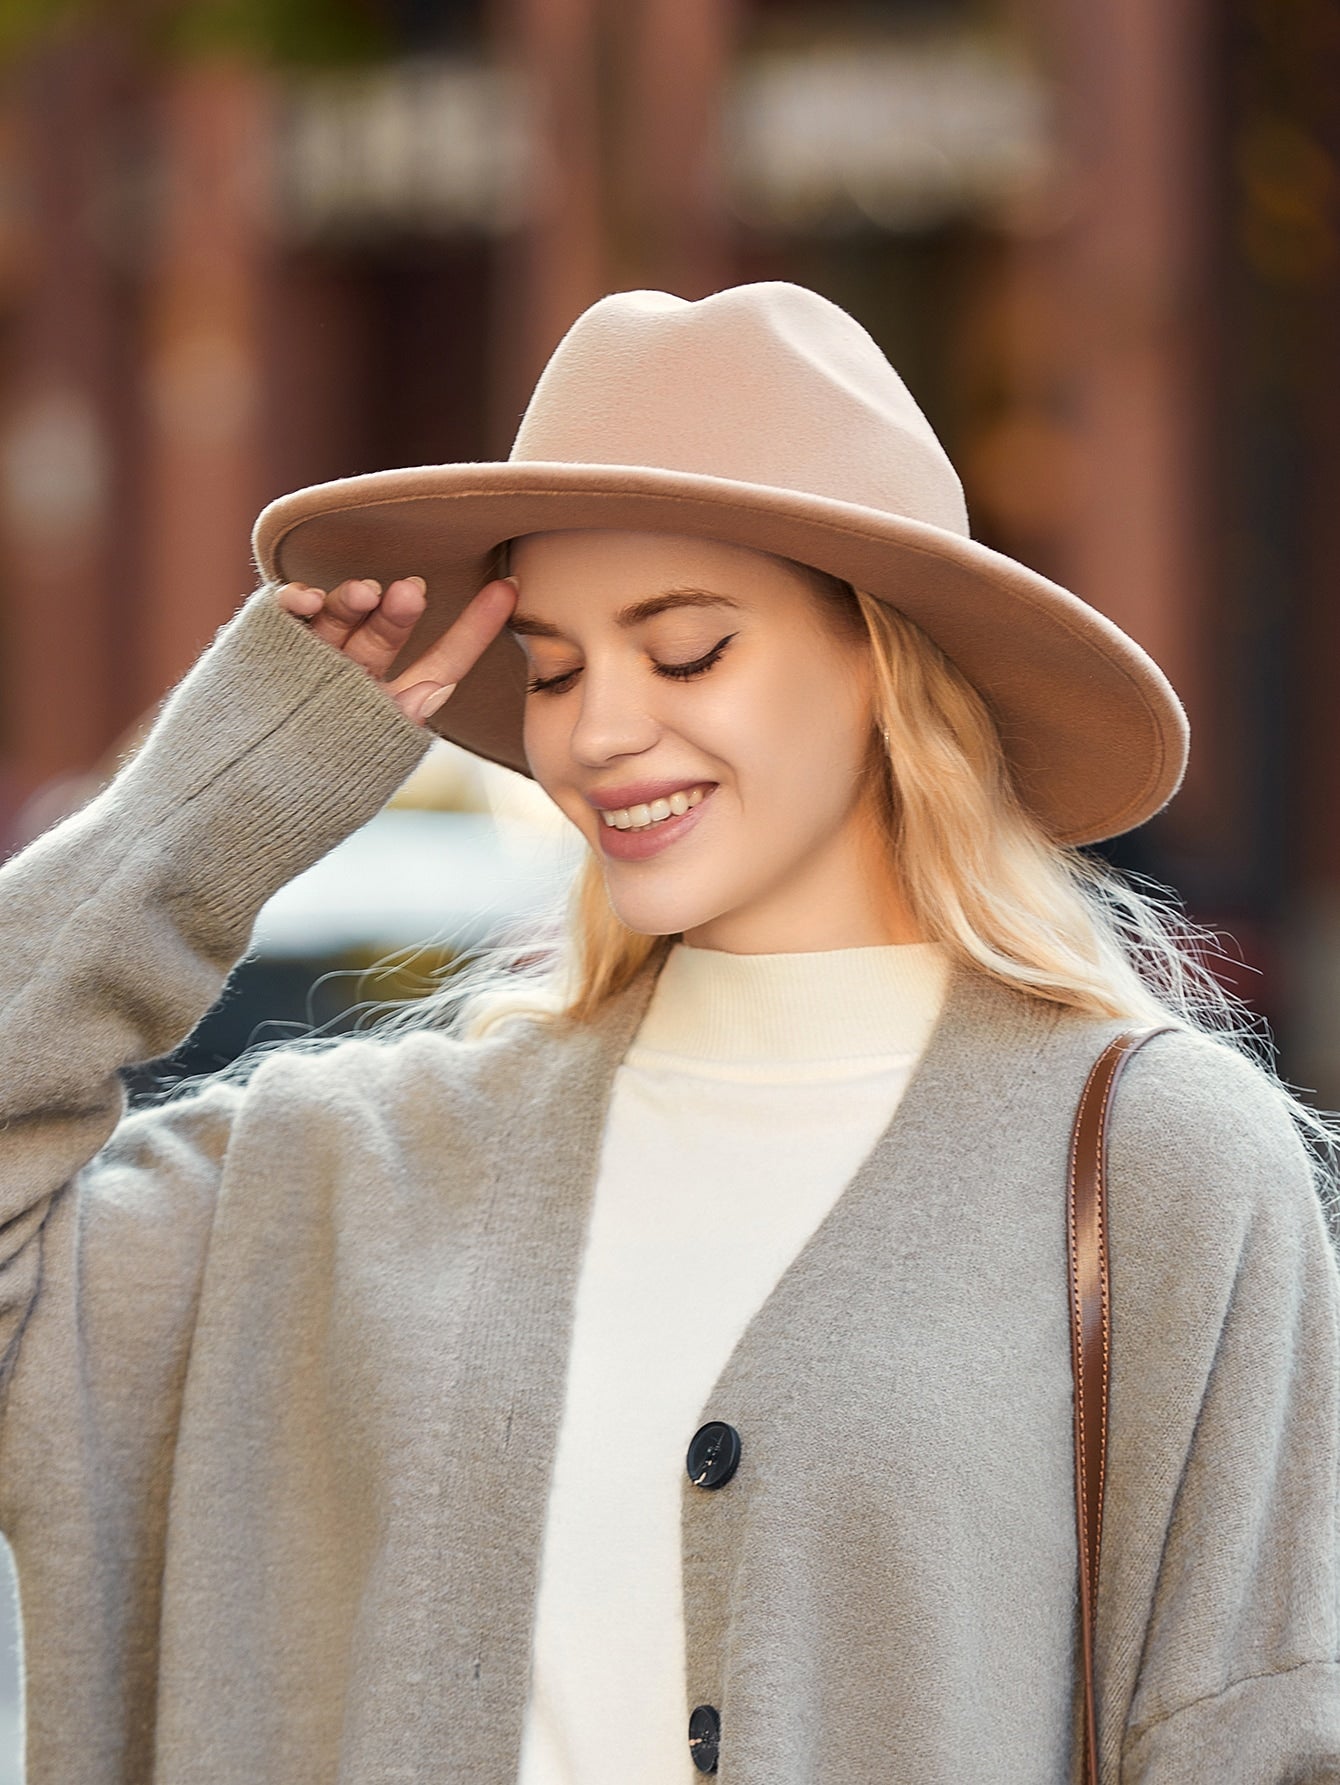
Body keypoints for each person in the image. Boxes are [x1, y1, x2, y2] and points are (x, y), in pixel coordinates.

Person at [0, 281, 1336, 1785]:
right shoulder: (352, 1167)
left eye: (686, 649)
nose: (595, 730)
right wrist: (226, 803)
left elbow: (1252, 1730)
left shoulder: (1155, 1163)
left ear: (885, 665)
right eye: (555, 667)